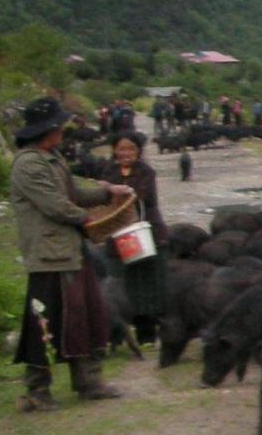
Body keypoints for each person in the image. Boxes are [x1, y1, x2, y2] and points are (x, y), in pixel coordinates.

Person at [9, 97, 126, 411]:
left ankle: (89, 382)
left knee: (86, 316)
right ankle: (37, 390)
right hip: (49, 255)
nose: (63, 128)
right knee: (45, 323)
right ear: (47, 129)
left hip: (71, 250)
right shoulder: (28, 164)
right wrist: (88, 219)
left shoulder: (52, 157)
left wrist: (107, 193)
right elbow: (55, 205)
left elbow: (72, 192)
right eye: (59, 124)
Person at [102, 130, 169, 342]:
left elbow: (138, 196)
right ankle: (120, 332)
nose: (126, 153)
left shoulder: (146, 172)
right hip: (118, 236)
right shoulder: (108, 171)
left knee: (147, 284)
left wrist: (112, 189)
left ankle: (147, 334)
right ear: (114, 150)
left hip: (145, 234)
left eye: (131, 148)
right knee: (124, 284)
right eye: (121, 148)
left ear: (138, 150)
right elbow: (101, 199)